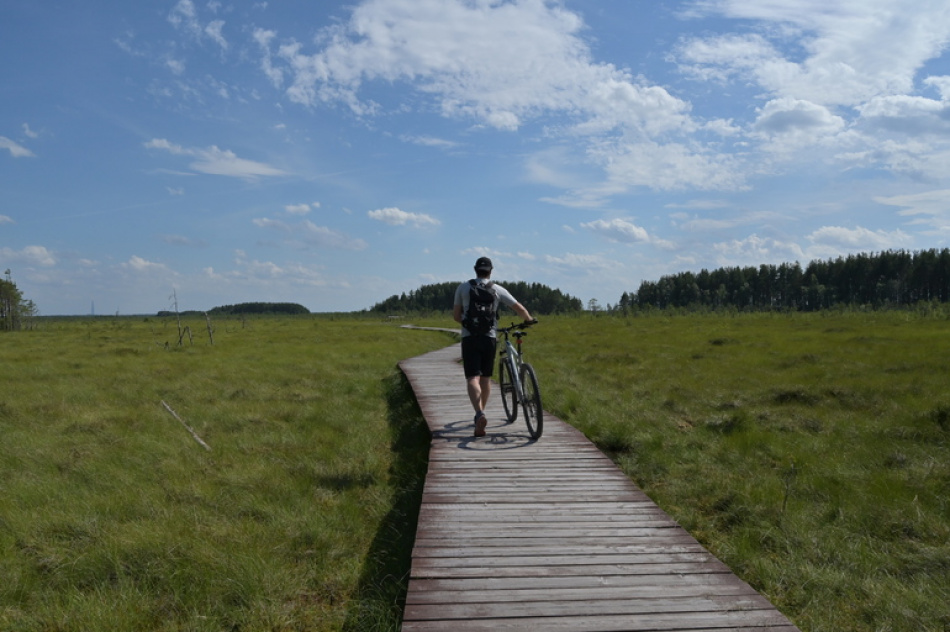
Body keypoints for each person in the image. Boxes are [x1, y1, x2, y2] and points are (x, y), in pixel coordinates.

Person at [453, 257, 534, 437]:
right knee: (486, 379)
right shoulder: (497, 289)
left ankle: (479, 413)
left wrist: (468, 322)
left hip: (469, 338)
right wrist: (528, 320)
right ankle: (481, 412)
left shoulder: (463, 288)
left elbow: (456, 316)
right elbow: (519, 308)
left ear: (475, 270)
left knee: (472, 377)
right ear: (491, 271)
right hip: (489, 338)